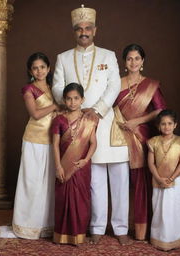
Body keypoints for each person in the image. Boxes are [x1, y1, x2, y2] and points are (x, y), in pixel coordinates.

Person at [52, 5, 130, 245]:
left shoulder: (107, 55)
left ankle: (121, 228)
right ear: (74, 32)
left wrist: (97, 110)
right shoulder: (63, 58)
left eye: (87, 28)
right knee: (94, 180)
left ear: (95, 30)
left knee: (119, 177)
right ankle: (96, 227)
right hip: (78, 127)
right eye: (79, 29)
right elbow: (57, 86)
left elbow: (114, 85)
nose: (83, 32)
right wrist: (73, 106)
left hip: (105, 122)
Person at [113, 44, 166, 241]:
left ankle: (143, 229)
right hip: (117, 137)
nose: (133, 62)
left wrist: (138, 121)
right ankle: (119, 227)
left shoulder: (151, 84)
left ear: (142, 61)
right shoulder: (116, 84)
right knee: (118, 183)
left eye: (137, 58)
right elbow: (108, 109)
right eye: (129, 59)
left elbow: (160, 110)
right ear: (124, 62)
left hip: (141, 136)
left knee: (141, 183)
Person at [11, 52, 58, 239]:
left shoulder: (54, 87)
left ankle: (46, 225)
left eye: (42, 67)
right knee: (32, 181)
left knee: (48, 183)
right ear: (31, 71)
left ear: (48, 68)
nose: (39, 71)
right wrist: (55, 107)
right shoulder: (28, 89)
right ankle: (26, 225)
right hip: (33, 140)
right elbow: (36, 114)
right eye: (35, 68)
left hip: (52, 140)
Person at [52, 83, 97, 245]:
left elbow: (93, 143)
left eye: (76, 98)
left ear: (82, 99)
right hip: (64, 165)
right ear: (64, 100)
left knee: (81, 199)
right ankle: (62, 235)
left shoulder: (89, 120)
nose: (72, 102)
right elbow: (55, 145)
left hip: (81, 166)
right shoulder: (59, 120)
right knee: (63, 198)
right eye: (69, 99)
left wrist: (85, 160)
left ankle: (79, 234)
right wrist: (58, 166)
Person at [147, 109, 180, 251]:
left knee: (175, 208)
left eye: (170, 123)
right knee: (160, 208)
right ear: (159, 126)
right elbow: (151, 163)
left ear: (175, 125)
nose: (166, 127)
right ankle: (160, 238)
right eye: (163, 124)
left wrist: (172, 177)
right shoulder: (153, 142)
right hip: (158, 180)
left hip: (176, 181)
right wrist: (159, 178)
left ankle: (177, 237)